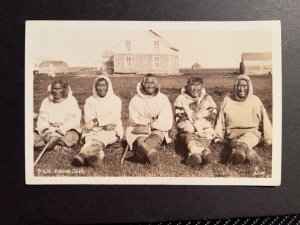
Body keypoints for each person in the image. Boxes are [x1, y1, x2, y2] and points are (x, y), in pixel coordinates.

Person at [214, 74, 272, 164]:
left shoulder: (255, 100)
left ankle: (238, 152)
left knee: (244, 142)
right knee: (234, 142)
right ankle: (249, 153)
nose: (241, 89)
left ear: (249, 87)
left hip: (251, 133)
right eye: (239, 85)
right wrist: (218, 137)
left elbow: (265, 120)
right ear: (235, 87)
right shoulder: (227, 100)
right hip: (232, 134)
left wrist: (268, 138)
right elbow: (220, 120)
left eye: (244, 86)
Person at [72, 75, 123, 167]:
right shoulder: (90, 101)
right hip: (94, 129)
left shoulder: (115, 100)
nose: (101, 88)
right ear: (95, 87)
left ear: (108, 86)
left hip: (111, 129)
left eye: (104, 85)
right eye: (99, 85)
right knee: (92, 138)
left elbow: (113, 116)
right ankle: (94, 155)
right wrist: (102, 126)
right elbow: (88, 119)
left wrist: (95, 122)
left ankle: (82, 154)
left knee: (101, 137)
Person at [125, 73, 173, 165]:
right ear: (142, 84)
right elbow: (134, 119)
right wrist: (145, 125)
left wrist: (150, 127)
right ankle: (149, 151)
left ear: (156, 84)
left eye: (152, 82)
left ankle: (140, 154)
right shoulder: (135, 99)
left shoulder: (163, 99)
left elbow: (165, 120)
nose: (150, 85)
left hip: (157, 129)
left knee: (158, 133)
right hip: (140, 128)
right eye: (147, 82)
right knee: (139, 135)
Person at [174, 77, 217, 166]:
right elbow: (180, 118)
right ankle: (204, 152)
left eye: (198, 85)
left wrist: (199, 127)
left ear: (201, 86)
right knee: (189, 137)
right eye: (192, 85)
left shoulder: (207, 99)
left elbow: (211, 116)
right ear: (188, 86)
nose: (195, 88)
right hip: (187, 130)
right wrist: (193, 128)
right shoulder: (181, 99)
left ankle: (193, 155)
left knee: (206, 136)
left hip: (204, 129)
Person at [35, 80, 82, 153]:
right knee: (31, 136)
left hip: (66, 130)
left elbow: (72, 120)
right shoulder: (46, 101)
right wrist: (46, 131)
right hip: (50, 129)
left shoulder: (71, 100)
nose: (57, 91)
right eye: (55, 89)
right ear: (51, 89)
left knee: (70, 137)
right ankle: (57, 147)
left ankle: (50, 145)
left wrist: (59, 132)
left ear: (64, 89)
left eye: (59, 89)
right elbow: (42, 119)